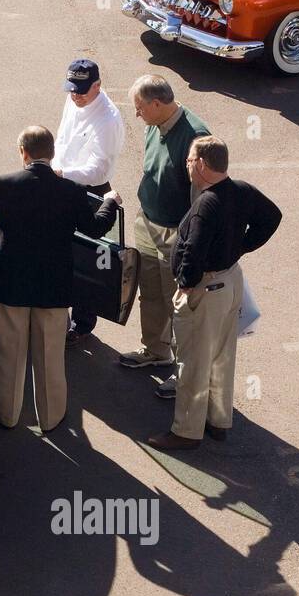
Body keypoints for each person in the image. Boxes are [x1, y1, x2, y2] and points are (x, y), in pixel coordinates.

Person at [0, 126, 119, 433]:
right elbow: (96, 228)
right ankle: (50, 418)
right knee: (50, 358)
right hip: (54, 288)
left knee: (9, 354)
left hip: (12, 285)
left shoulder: (5, 184)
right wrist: (110, 201)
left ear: (24, 152)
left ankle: (7, 415)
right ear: (51, 154)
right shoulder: (71, 190)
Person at [148, 136, 281, 452]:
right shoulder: (242, 190)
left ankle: (186, 431)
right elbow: (272, 217)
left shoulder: (206, 204)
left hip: (204, 290)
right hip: (230, 282)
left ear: (203, 165)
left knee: (193, 362)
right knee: (222, 355)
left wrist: (186, 282)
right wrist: (241, 247)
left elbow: (193, 249)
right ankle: (218, 422)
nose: (188, 165)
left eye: (190, 161)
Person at [119, 76, 209, 392]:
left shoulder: (196, 137)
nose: (137, 115)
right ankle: (156, 351)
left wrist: (189, 244)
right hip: (148, 223)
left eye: (140, 108)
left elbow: (203, 201)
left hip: (175, 233)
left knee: (181, 305)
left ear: (157, 104)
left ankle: (186, 374)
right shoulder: (155, 125)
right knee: (152, 293)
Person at [53, 59, 125, 345]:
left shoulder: (108, 120)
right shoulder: (74, 100)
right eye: (72, 89)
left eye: (82, 91)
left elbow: (97, 169)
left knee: (88, 259)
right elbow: (62, 137)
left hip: (90, 191)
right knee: (61, 251)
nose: (75, 96)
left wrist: (59, 173)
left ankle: (83, 324)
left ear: (98, 85)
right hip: (63, 182)